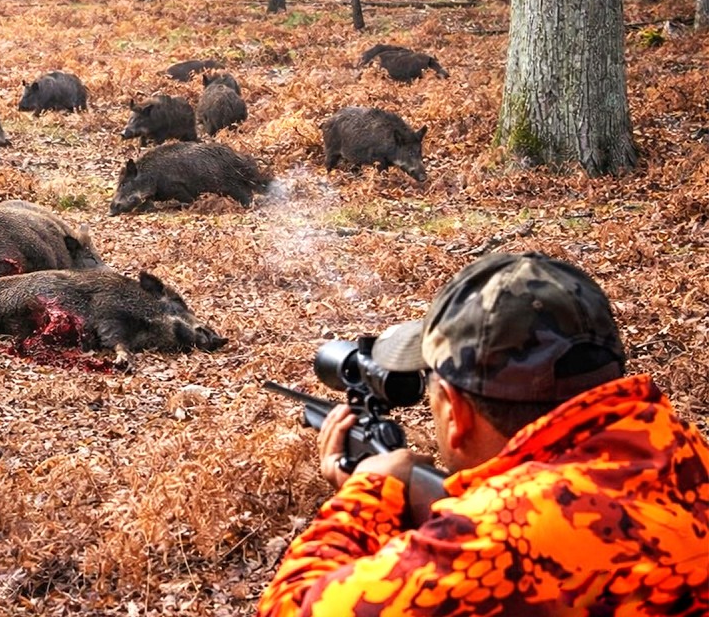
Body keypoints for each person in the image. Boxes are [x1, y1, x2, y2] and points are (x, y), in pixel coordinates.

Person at [257, 251, 709, 616]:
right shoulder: (687, 451)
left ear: (454, 411)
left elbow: (289, 608)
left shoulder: (494, 538)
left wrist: (365, 497)